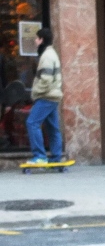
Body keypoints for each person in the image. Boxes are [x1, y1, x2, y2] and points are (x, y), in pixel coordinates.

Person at [26, 27, 64, 164]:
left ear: (42, 40)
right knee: (53, 128)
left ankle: (40, 156)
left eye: (37, 38)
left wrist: (36, 92)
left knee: (32, 123)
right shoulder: (52, 53)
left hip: (46, 96)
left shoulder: (47, 56)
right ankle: (56, 157)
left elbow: (46, 79)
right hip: (53, 96)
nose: (35, 41)